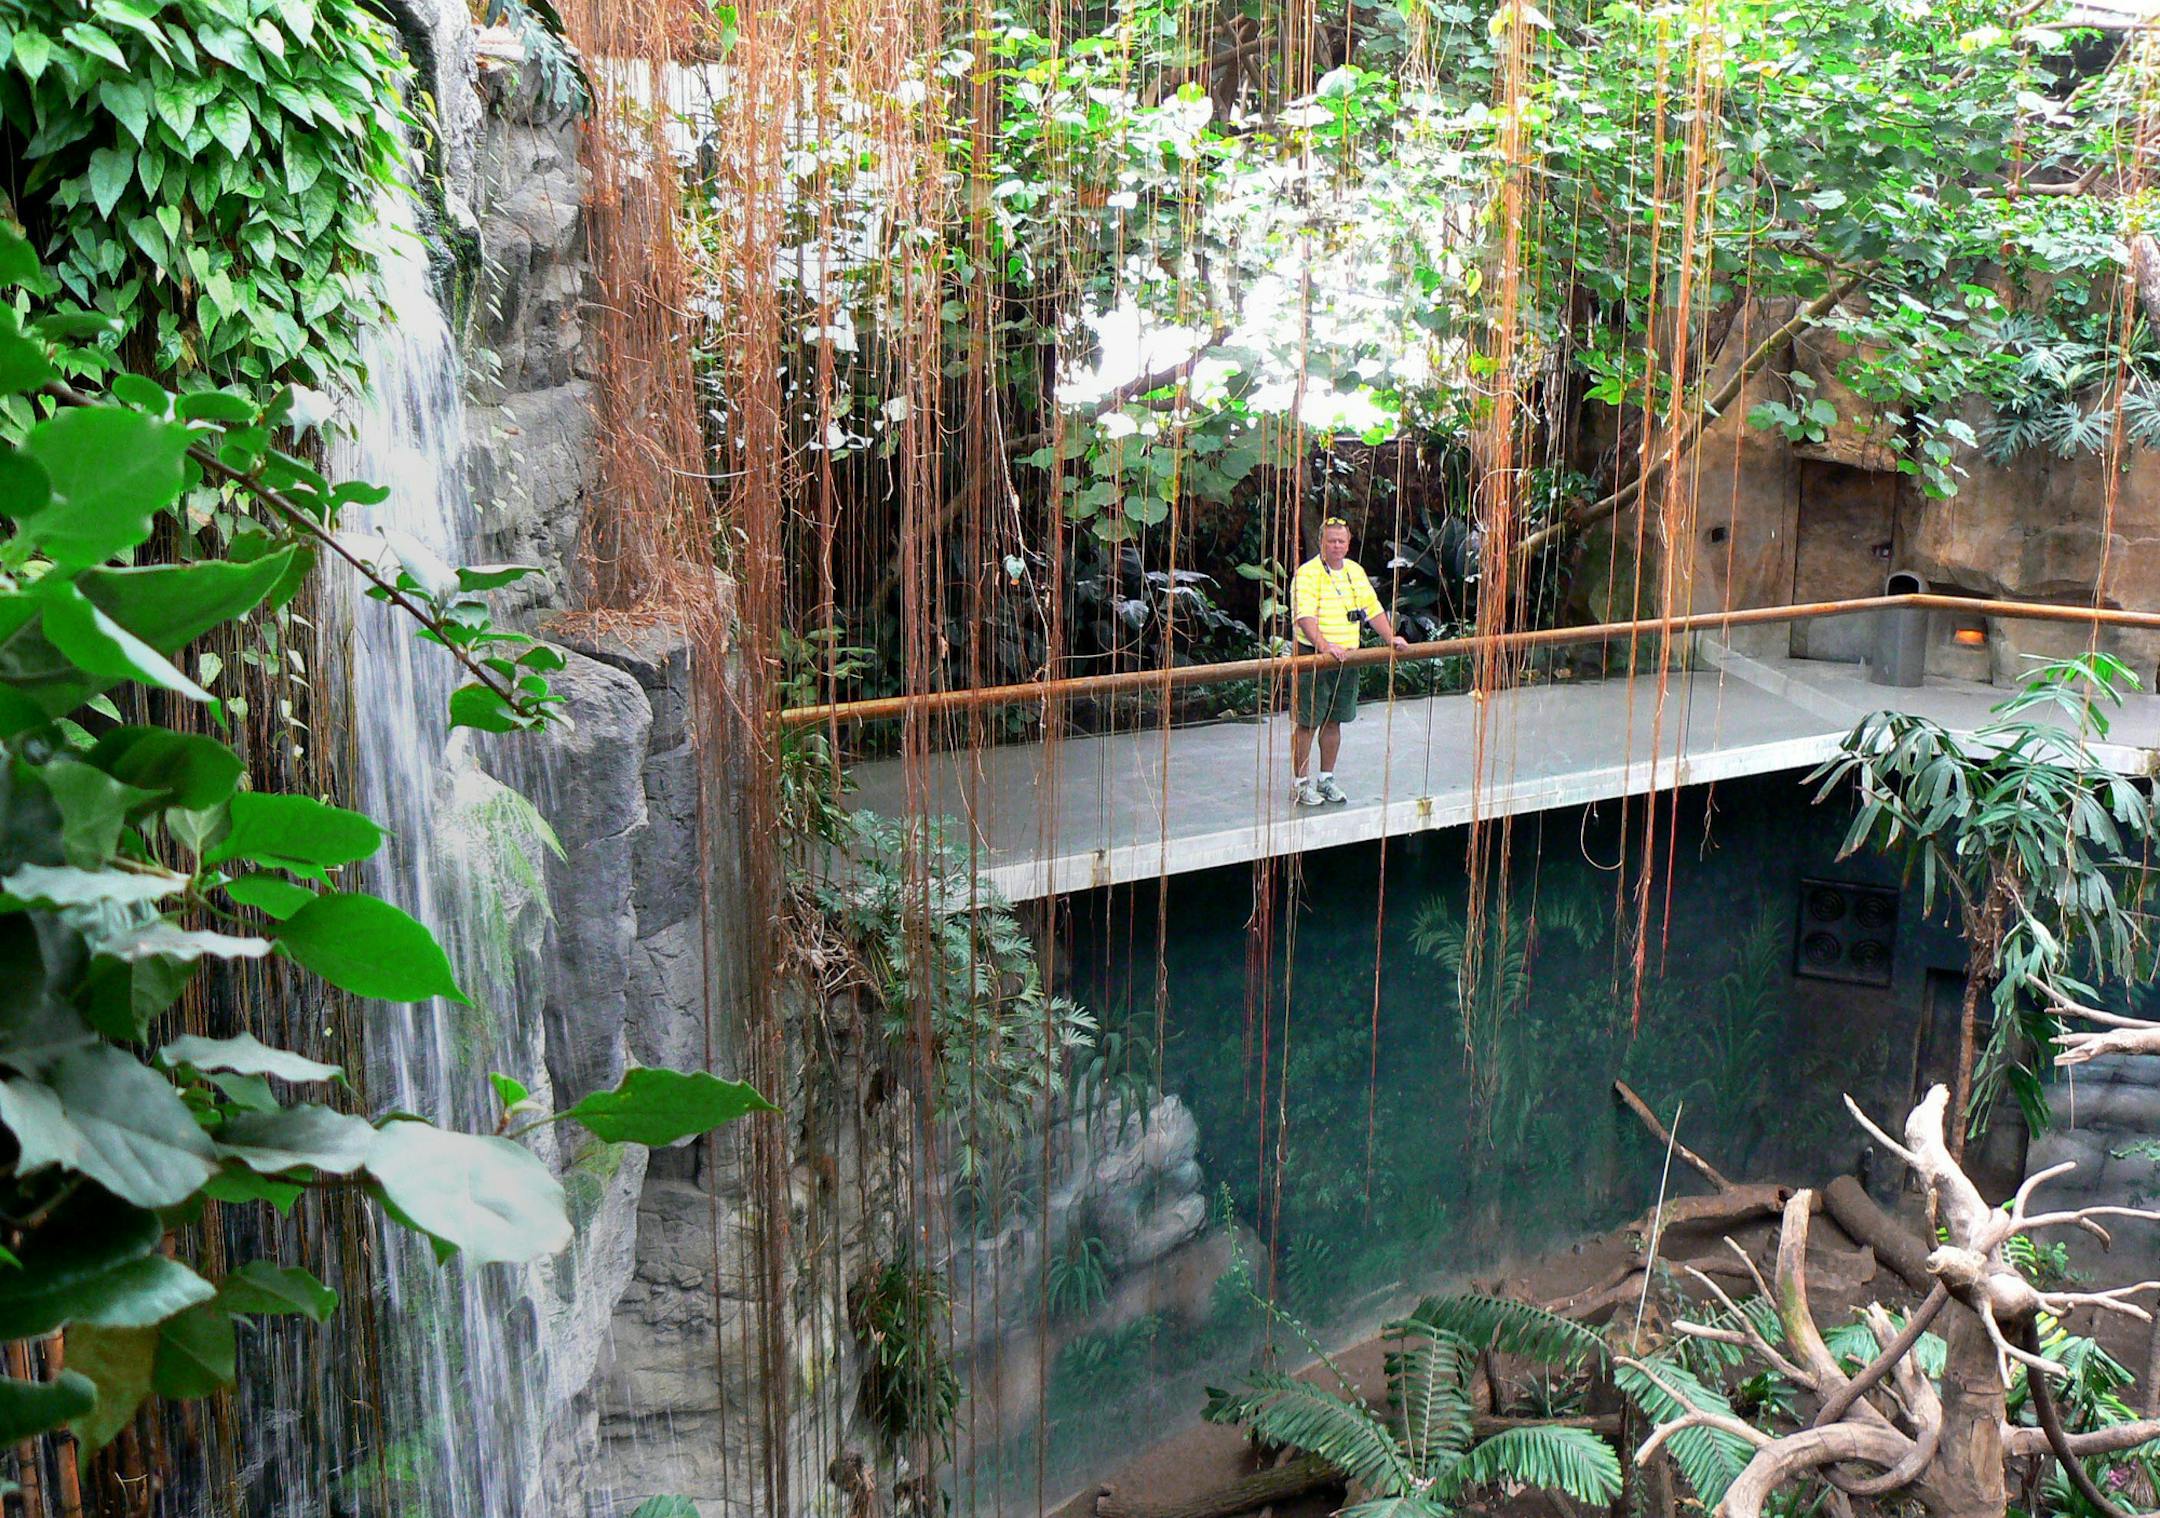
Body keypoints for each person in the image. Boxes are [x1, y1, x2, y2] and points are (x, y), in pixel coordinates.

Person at [1288, 516, 1410, 807]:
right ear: (1321, 543)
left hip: (1348, 656)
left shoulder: (1355, 571)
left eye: (1341, 541)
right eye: (1331, 540)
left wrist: (1390, 637)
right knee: (1308, 720)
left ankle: (1326, 778)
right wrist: (1323, 646)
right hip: (1314, 656)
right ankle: (1301, 783)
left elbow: (1371, 608)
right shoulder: (1307, 574)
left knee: (1335, 718)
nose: (1336, 546)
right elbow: (1304, 616)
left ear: (1348, 543)